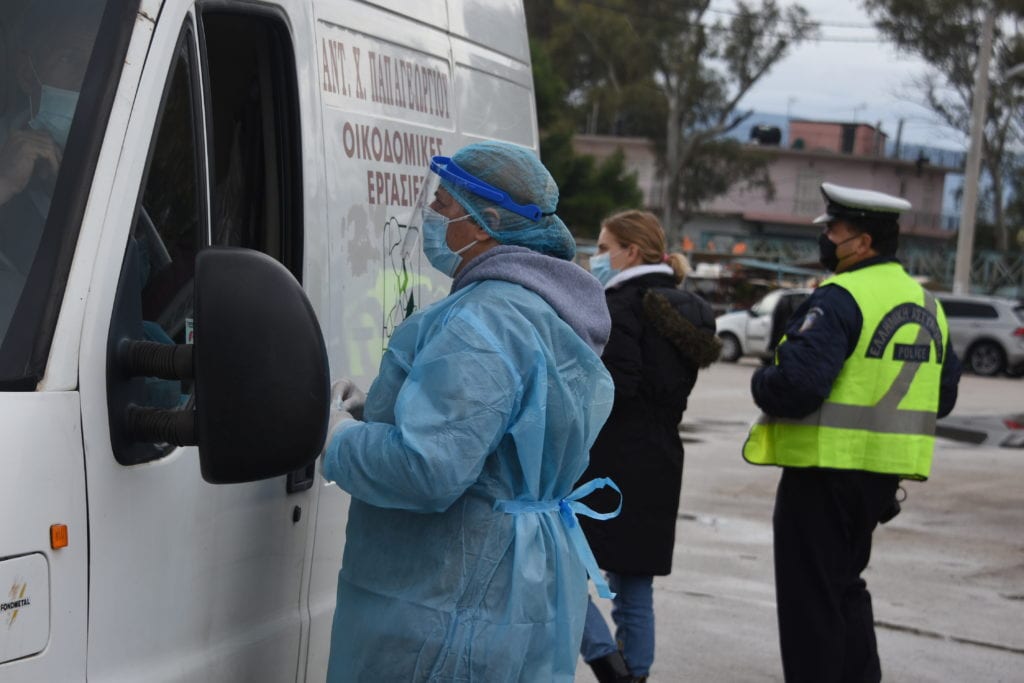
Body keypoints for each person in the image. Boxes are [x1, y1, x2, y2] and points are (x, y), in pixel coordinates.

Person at [320, 140, 619, 682]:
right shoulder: (541, 308)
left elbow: (429, 468)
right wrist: (379, 412)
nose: (432, 217)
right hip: (508, 585)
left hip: (449, 597)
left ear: (487, 222)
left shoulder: (484, 318)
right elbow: (496, 435)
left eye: (442, 206)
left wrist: (336, 438)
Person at [744, 182, 961, 682]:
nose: (826, 239)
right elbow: (942, 398)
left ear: (861, 242)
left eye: (834, 230)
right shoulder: (927, 303)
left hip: (824, 470)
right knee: (845, 586)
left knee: (810, 601)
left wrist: (762, 379)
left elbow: (797, 385)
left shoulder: (842, 298)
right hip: (879, 477)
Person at [579, 210, 721, 682]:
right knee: (635, 583)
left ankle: (607, 663)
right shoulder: (687, 308)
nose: (597, 257)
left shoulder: (620, 305)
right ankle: (634, 674)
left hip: (609, 461)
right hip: (661, 457)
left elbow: (614, 387)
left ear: (630, 252)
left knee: (559, 568)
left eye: (603, 247)